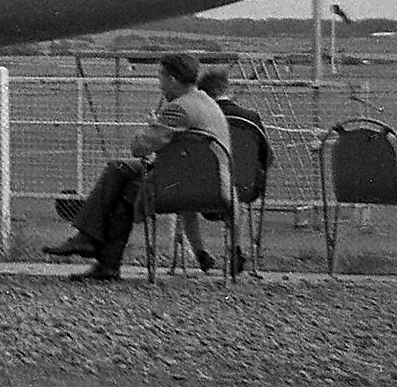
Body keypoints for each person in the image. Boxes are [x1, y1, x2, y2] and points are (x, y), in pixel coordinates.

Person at [43, 53, 230, 281]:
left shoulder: (178, 109)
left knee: (121, 179)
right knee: (121, 176)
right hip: (214, 184)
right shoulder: (208, 103)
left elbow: (139, 148)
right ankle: (99, 254)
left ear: (172, 80)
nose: (159, 84)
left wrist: (150, 126)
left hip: (180, 186)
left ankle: (91, 243)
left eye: (160, 77)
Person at [198, 65, 265, 273]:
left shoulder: (202, 119)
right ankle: (235, 248)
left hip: (203, 189)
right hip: (245, 187)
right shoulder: (251, 118)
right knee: (238, 197)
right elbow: (265, 157)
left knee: (187, 205)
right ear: (226, 88)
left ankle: (200, 252)